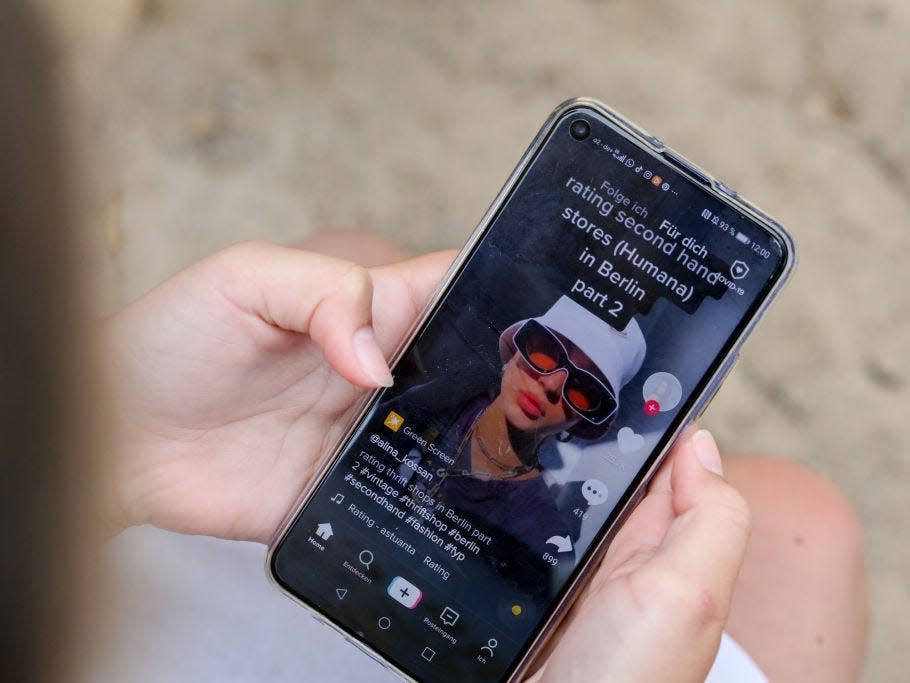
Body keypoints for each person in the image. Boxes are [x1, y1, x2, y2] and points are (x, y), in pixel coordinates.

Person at [1, 4, 865, 683]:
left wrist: (119, 445)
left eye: (584, 390)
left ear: (586, 420)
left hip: (150, 554)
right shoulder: (427, 421)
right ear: (510, 346)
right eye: (547, 354)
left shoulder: (523, 506)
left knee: (349, 258)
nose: (552, 384)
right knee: (807, 526)